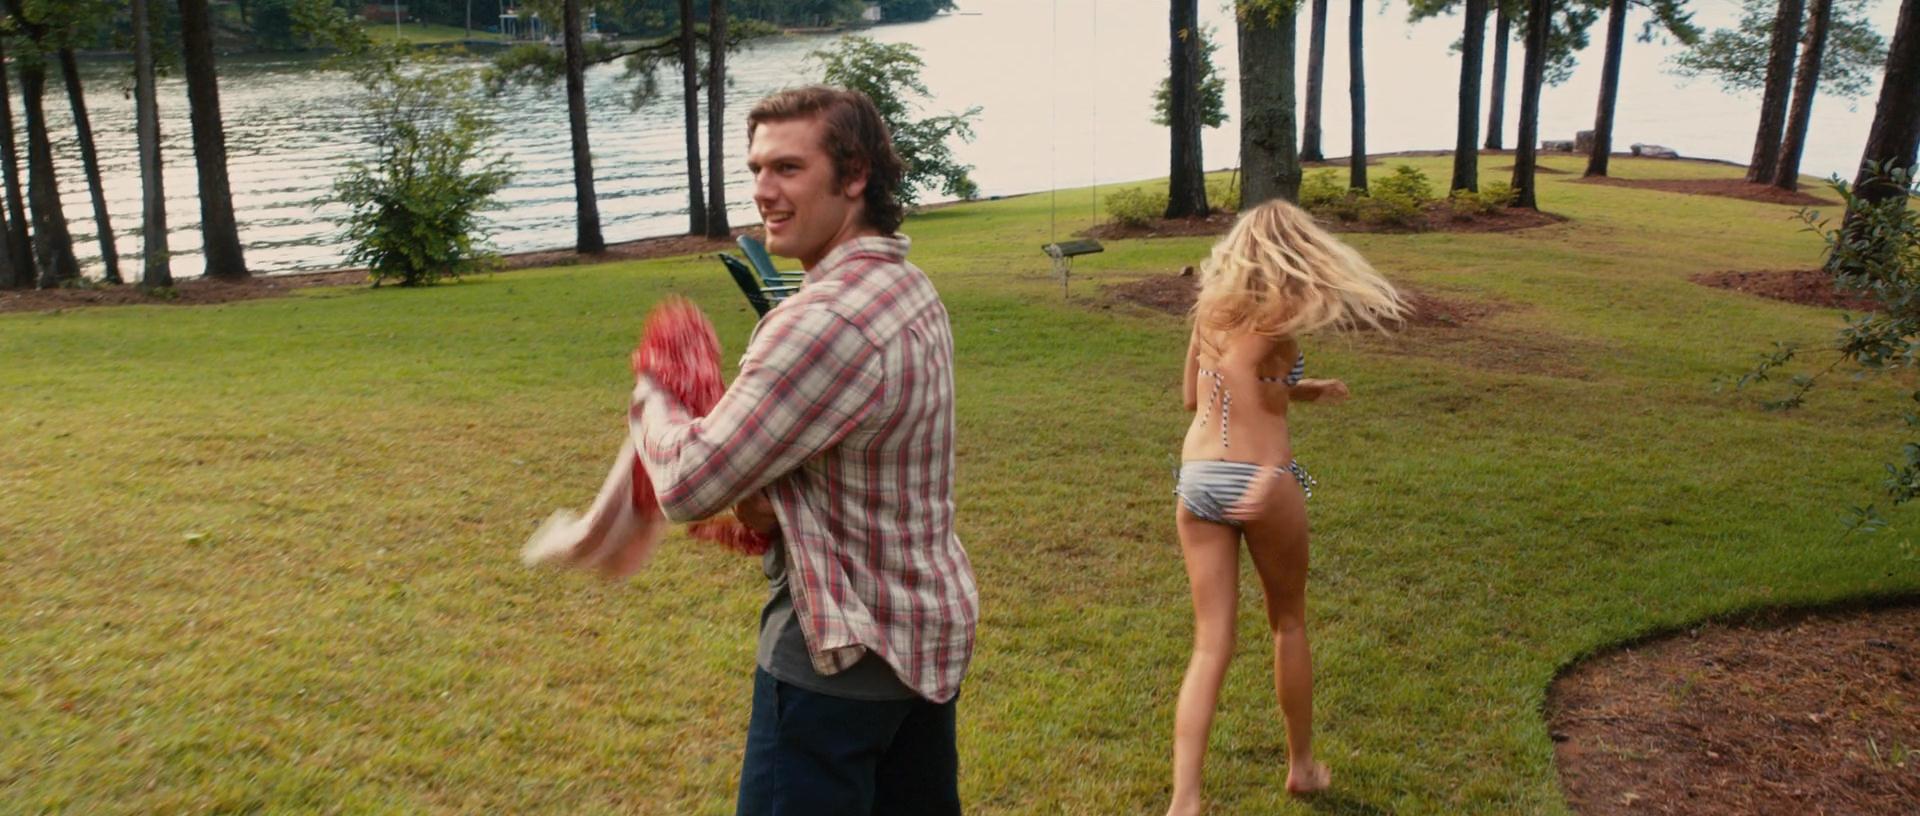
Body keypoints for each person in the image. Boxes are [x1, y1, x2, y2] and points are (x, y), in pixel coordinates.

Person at [628, 85, 978, 816]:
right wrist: (771, 502)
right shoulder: (907, 287)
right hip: (920, 641)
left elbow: (687, 483)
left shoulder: (824, 322)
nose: (763, 191)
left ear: (854, 176)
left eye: (788, 168)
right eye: (757, 169)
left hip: (836, 667)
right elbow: (846, 454)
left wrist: (655, 395)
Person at [1166, 199, 1406, 814]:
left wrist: (1301, 388)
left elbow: (1195, 397)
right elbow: (1241, 376)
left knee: (1210, 644)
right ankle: (1301, 767)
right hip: (1261, 479)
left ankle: (1185, 801)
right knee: (1289, 623)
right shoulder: (1277, 315)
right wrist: (1270, 468)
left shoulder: (1210, 312)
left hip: (1198, 479)